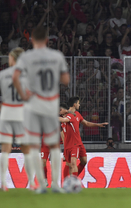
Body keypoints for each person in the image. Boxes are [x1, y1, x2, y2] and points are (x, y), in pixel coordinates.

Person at [12, 27, 70, 194]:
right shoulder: (56, 56)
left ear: (31, 40)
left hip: (33, 105)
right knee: (54, 147)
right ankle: (57, 185)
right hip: (50, 105)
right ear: (46, 40)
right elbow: (65, 80)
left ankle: (40, 185)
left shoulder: (26, 57)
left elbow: (15, 77)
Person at [0, 47, 35, 191]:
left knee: (5, 148)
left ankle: (3, 183)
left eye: (9, 57)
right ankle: (31, 184)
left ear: (14, 58)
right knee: (26, 148)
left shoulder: (2, 74)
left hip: (7, 111)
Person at [60, 96, 108, 177]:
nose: (80, 105)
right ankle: (70, 183)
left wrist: (98, 124)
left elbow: (86, 123)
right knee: (72, 163)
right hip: (73, 144)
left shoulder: (77, 114)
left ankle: (70, 181)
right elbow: (64, 123)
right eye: (78, 103)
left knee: (84, 161)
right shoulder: (70, 116)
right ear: (74, 105)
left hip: (78, 142)